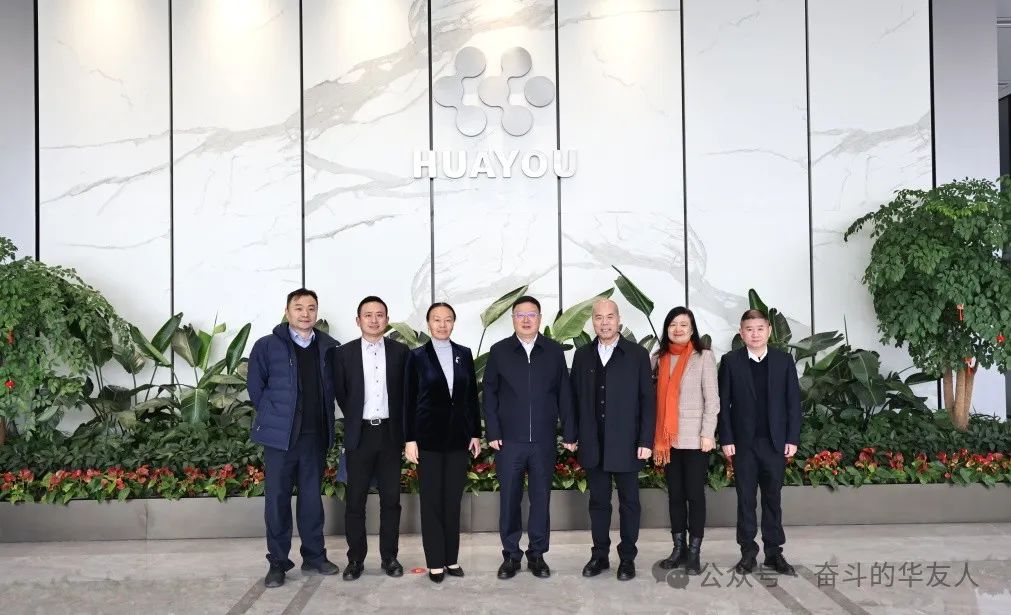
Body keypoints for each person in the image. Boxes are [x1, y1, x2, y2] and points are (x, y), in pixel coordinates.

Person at [247, 288, 341, 588]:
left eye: (311, 308)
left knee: (312, 501)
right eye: (298, 308)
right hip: (280, 440)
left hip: (314, 437)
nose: (305, 314)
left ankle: (314, 556)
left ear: (317, 313)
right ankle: (277, 563)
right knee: (277, 501)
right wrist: (274, 416)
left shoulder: (329, 347)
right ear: (287, 312)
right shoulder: (267, 346)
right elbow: (256, 388)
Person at [483, 295, 576, 579]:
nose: (526, 320)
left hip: (543, 441)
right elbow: (489, 394)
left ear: (539, 318)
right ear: (513, 319)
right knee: (509, 500)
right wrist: (493, 431)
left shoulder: (553, 351)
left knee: (540, 499)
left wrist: (569, 432)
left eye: (531, 314)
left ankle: (537, 554)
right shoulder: (499, 351)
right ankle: (511, 556)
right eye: (520, 315)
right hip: (509, 441)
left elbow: (564, 394)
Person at [570, 299, 654, 581]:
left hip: (627, 443)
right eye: (598, 317)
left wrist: (645, 440)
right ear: (592, 322)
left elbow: (647, 400)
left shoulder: (637, 354)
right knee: (598, 503)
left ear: (619, 320)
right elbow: (573, 398)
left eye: (609, 317)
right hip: (593, 443)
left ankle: (627, 558)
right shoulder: (582, 355)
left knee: (630, 503)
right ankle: (599, 555)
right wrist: (572, 435)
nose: (604, 323)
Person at [718, 309, 801, 576]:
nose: (755, 334)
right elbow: (724, 405)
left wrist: (792, 437)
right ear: (741, 333)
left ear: (769, 331)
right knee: (745, 499)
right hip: (743, 445)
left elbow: (793, 402)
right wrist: (726, 438)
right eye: (749, 329)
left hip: (775, 443)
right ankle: (747, 553)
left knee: (772, 498)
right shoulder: (730, 361)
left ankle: (774, 553)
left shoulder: (783, 361)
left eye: (760, 328)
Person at [403, 302, 482, 583]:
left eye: (448, 319)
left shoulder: (464, 354)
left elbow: (471, 398)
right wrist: (409, 439)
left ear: (454, 323)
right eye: (436, 319)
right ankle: (435, 561)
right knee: (432, 502)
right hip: (428, 439)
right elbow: (408, 400)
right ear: (428, 324)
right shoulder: (416, 356)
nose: (442, 325)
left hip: (458, 439)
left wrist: (475, 433)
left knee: (452, 501)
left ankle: (451, 559)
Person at [331, 296, 409, 580]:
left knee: (391, 501)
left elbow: (406, 393)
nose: (374, 320)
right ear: (358, 320)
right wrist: (355, 419)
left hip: (389, 433)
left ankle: (390, 558)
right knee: (355, 502)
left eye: (379, 315)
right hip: (359, 434)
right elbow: (342, 393)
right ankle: (355, 560)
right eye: (368, 315)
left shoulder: (401, 352)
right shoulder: (344, 354)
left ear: (387, 319)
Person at [654, 307, 719, 575]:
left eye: (683, 324)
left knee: (695, 495)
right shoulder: (658, 358)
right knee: (675, 496)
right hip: (668, 440)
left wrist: (707, 433)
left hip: (694, 438)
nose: (678, 329)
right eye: (673, 324)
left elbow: (712, 399)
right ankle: (678, 549)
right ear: (667, 329)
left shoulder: (703, 356)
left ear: (692, 329)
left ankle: (694, 552)